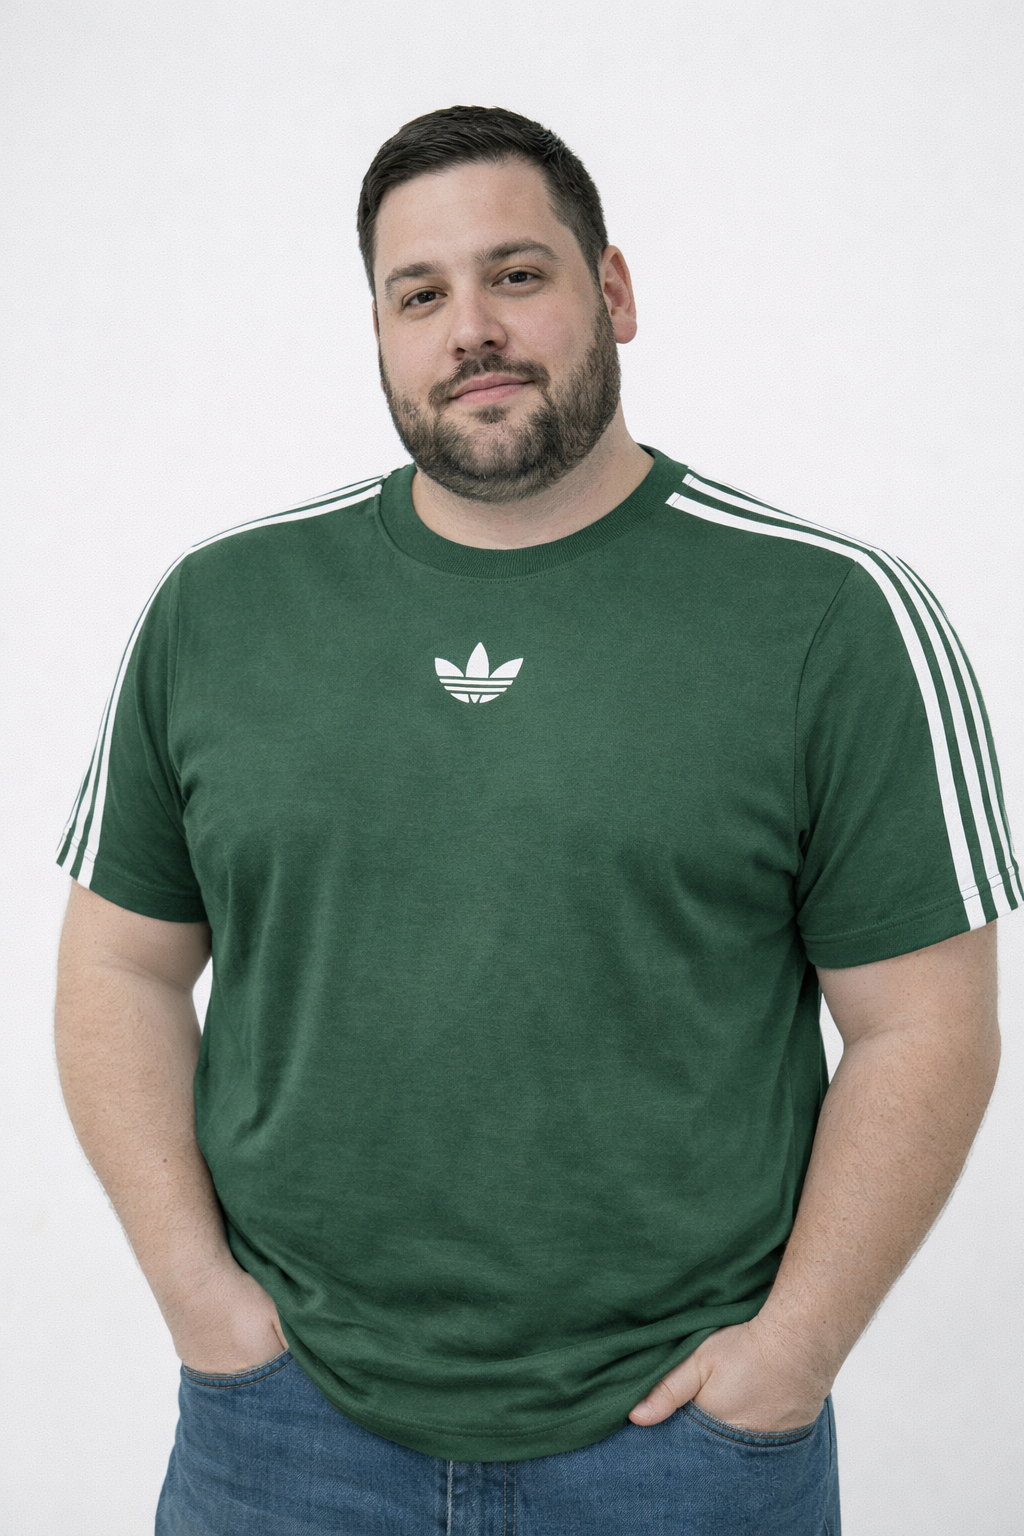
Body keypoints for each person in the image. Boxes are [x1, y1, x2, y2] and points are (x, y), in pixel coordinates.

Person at [54, 105, 1018, 1536]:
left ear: (612, 291)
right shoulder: (221, 611)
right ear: (378, 332)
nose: (472, 331)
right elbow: (121, 965)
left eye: (517, 274)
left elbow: (923, 1024)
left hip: (683, 1451)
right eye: (419, 295)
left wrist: (790, 1359)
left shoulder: (831, 617)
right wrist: (204, 1304)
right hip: (283, 1437)